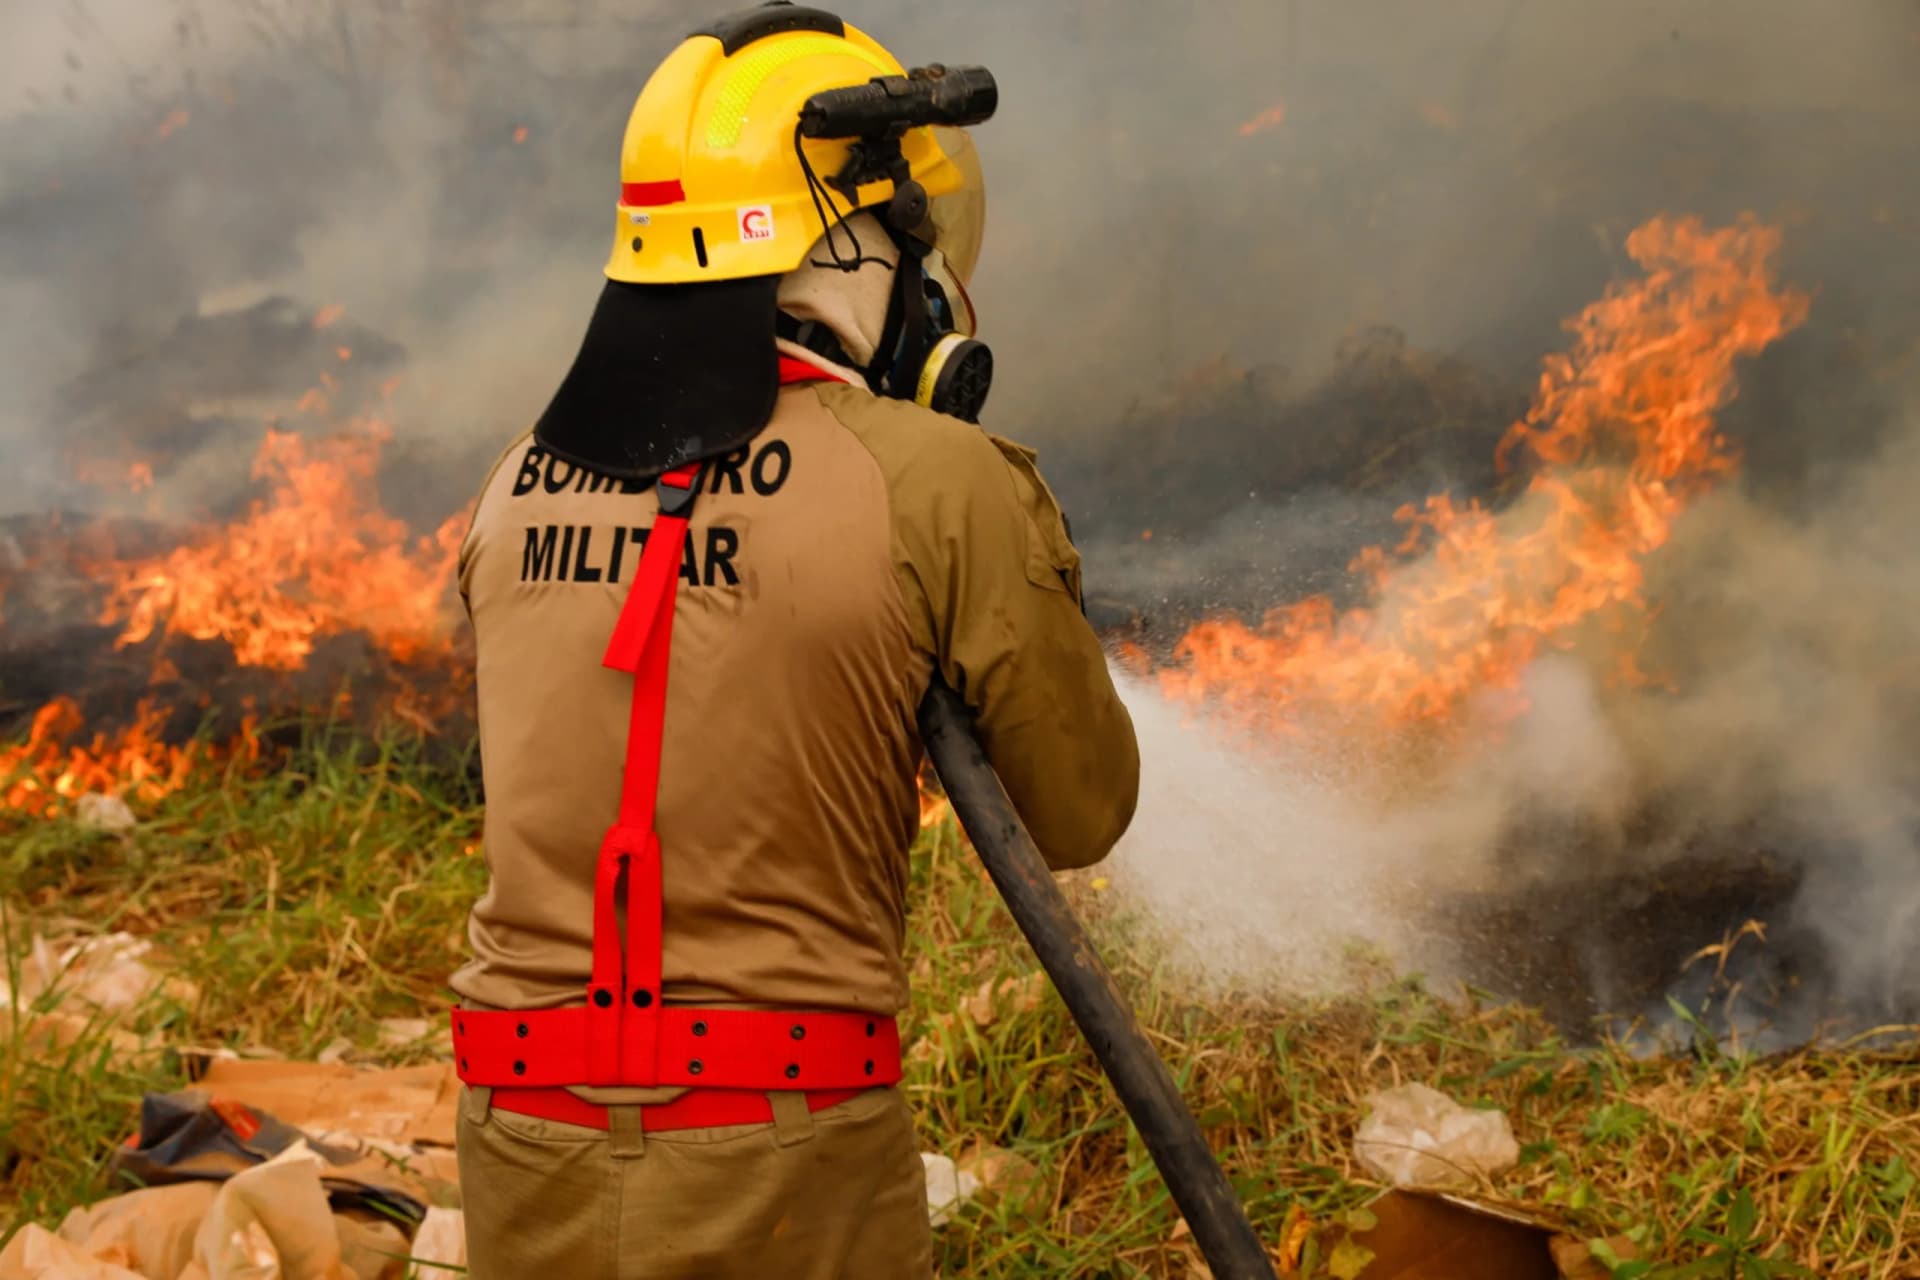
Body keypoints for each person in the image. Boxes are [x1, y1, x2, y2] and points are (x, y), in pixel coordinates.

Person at [448, 5, 1139, 1277]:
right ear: (849, 243)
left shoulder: (511, 486)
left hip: (516, 1139)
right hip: (785, 1153)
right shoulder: (938, 476)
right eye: (901, 240)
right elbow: (1082, 812)